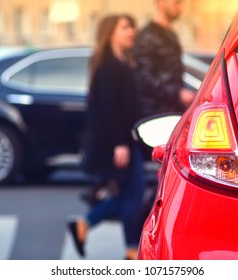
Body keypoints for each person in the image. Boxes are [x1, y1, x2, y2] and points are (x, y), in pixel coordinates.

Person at [68, 14, 145, 260]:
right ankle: (132, 249)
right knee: (134, 194)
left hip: (126, 141)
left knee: (126, 195)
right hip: (119, 143)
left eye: (132, 26)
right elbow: (109, 109)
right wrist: (120, 144)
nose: (131, 31)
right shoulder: (110, 66)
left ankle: (85, 224)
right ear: (111, 33)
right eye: (125, 28)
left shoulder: (122, 63)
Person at [134, 0, 195, 117]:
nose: (181, 8)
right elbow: (146, 78)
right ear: (161, 2)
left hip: (173, 110)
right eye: (176, 2)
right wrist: (177, 94)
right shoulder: (148, 36)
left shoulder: (171, 34)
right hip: (155, 114)